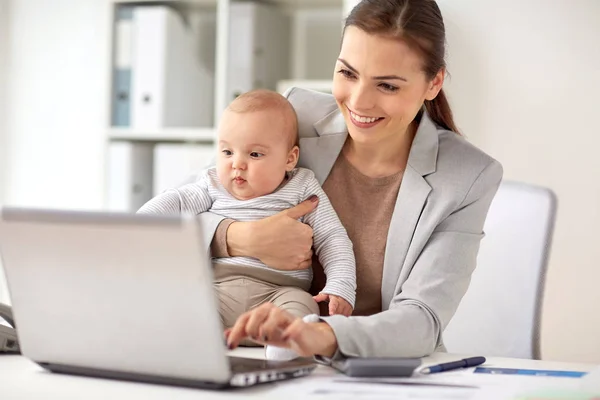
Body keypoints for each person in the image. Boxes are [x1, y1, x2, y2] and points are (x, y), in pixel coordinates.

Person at [211, 0, 504, 360]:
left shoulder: (467, 176)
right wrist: (239, 237)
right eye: (348, 74)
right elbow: (180, 212)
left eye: (387, 86)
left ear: (434, 83)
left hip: (372, 373)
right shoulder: (293, 119)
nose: (359, 102)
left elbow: (422, 321)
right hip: (245, 351)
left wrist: (318, 333)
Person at [138, 90, 357, 356]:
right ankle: (201, 341)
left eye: (254, 155)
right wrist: (141, 223)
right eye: (227, 151)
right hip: (217, 289)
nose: (237, 164)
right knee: (185, 303)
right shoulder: (212, 184)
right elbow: (175, 202)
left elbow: (332, 237)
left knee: (301, 306)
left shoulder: (302, 186)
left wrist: (340, 285)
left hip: (279, 292)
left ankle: (283, 343)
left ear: (290, 158)